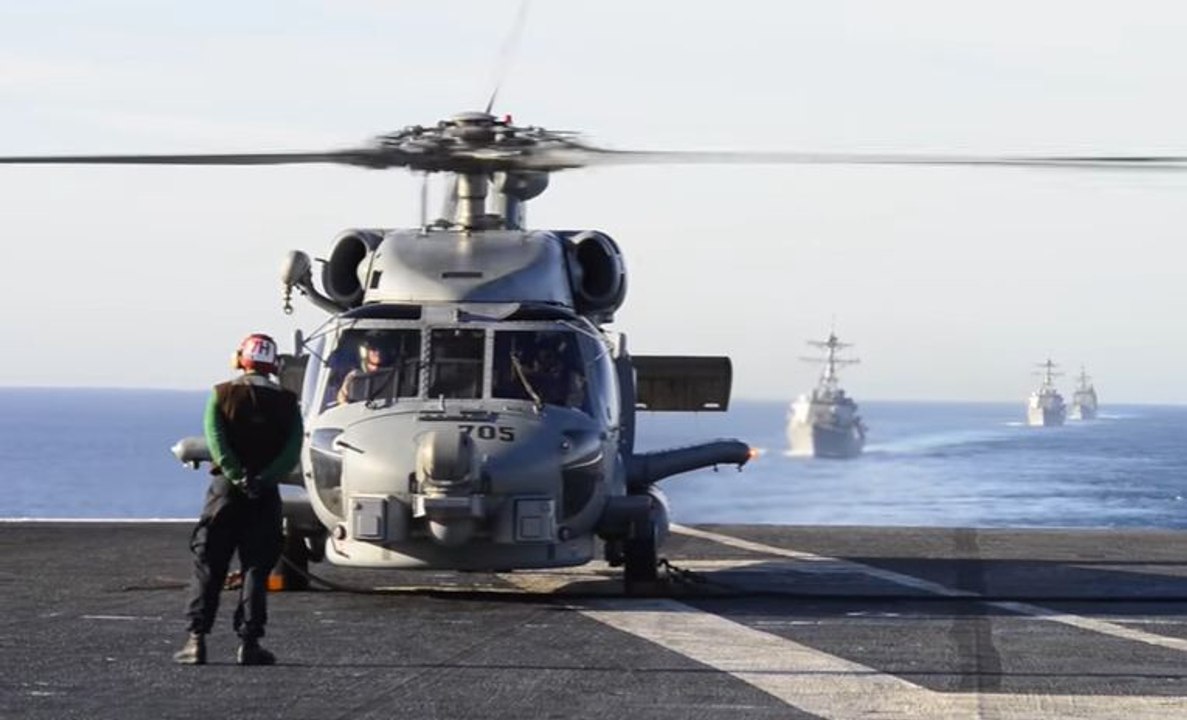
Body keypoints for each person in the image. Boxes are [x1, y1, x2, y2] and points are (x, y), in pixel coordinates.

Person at [173, 332, 304, 666]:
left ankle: (196, 640)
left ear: (240, 359)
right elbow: (291, 453)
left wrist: (236, 474)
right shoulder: (289, 403)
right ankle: (249, 643)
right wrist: (264, 479)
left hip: (225, 493)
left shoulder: (221, 394)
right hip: (264, 493)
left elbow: (216, 441)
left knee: (209, 565)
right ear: (274, 364)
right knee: (256, 569)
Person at [336, 332, 397, 405]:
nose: (377, 351)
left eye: (381, 347)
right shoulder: (353, 376)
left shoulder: (397, 371)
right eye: (373, 347)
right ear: (365, 350)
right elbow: (342, 398)